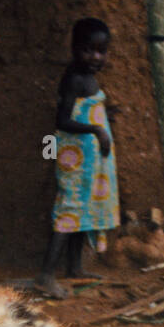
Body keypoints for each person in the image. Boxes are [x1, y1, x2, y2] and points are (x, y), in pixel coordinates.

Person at [36, 17, 119, 299]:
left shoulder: (88, 77)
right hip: (75, 161)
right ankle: (46, 276)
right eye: (88, 50)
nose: (96, 57)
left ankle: (74, 267)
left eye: (102, 51)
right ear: (74, 49)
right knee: (69, 211)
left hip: (89, 162)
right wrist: (96, 129)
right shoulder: (74, 78)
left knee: (81, 212)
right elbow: (62, 120)